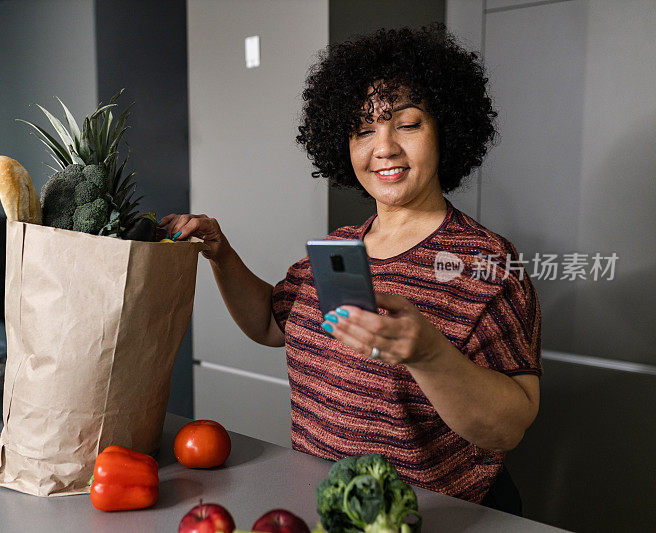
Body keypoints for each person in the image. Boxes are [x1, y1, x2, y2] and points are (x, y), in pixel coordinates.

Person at [159, 24, 541, 514]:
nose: (384, 147)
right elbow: (271, 324)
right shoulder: (340, 247)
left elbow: (511, 425)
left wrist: (427, 355)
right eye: (364, 128)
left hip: (426, 519)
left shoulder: (486, 265)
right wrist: (221, 253)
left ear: (446, 129)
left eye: (407, 124)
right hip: (331, 507)